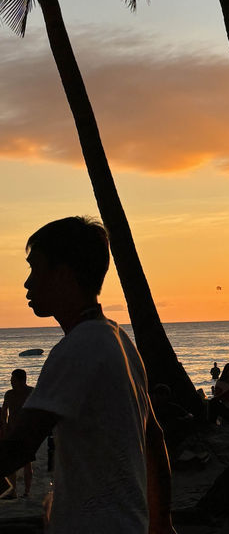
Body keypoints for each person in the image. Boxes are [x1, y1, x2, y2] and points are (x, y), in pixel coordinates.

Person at [0, 216, 175, 533]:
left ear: (64, 276)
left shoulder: (77, 349)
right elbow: (154, 438)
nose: (27, 283)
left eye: (34, 269)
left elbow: (20, 447)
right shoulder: (119, 340)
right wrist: (162, 522)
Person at [1, 369, 33, 499]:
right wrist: (4, 426)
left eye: (13, 379)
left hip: (26, 431)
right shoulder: (9, 394)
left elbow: (36, 412)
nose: (11, 382)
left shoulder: (31, 393)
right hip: (12, 431)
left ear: (21, 380)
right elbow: (4, 412)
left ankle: (26, 491)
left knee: (27, 462)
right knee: (11, 463)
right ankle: (13, 490)